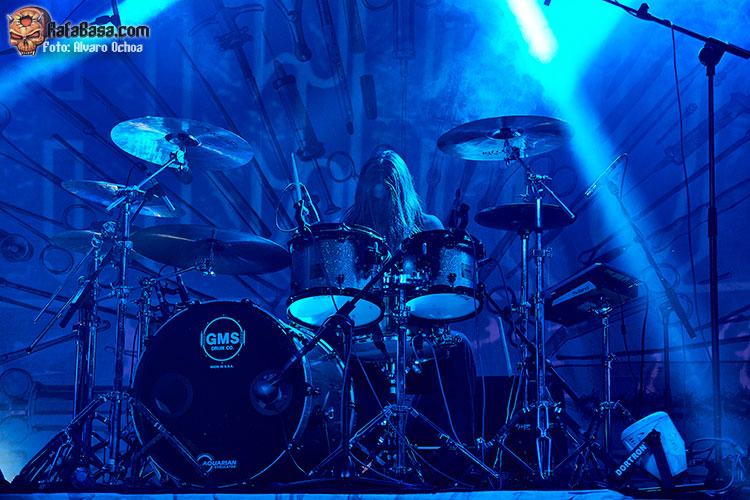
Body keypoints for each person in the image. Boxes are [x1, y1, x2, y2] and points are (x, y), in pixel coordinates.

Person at [342, 149, 477, 451]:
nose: (379, 205)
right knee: (331, 352)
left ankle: (455, 454)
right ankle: (352, 451)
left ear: (400, 193)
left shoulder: (427, 227)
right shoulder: (350, 229)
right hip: (366, 336)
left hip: (418, 337)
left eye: (386, 199)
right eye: (373, 199)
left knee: (460, 346)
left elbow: (443, 293)